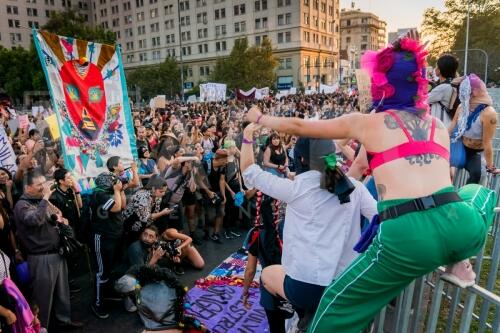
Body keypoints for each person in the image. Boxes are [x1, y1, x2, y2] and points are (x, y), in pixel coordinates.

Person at [245, 35, 497, 333]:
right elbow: (447, 178)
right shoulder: (438, 126)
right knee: (478, 192)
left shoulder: (369, 122)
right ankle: (460, 259)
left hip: (407, 236)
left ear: (383, 83)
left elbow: (302, 127)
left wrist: (259, 116)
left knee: (331, 310)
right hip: (460, 225)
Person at [241, 124, 378, 331]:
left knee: (267, 275)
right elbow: (381, 218)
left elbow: (249, 171)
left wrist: (247, 136)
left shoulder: (294, 190)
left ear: (302, 159)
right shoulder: (356, 188)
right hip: (347, 284)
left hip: (307, 289)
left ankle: (295, 319)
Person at [13, 169, 83, 329]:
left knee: (62, 292)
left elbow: (56, 215)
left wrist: (60, 218)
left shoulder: (41, 201)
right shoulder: (22, 205)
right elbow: (35, 220)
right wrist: (46, 198)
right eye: (39, 185)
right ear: (27, 188)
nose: (43, 188)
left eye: (44, 184)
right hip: (41, 258)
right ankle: (40, 327)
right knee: (43, 297)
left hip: (57, 253)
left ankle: (64, 321)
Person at [449, 73, 497, 185]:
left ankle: (467, 199)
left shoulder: (489, 113)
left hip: (475, 153)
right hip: (459, 147)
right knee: (443, 169)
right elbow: (452, 125)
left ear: (474, 92)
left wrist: (490, 166)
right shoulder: (462, 107)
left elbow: (487, 142)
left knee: (477, 174)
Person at [90, 171, 126, 319]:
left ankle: (108, 294)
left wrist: (121, 190)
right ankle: (98, 303)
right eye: (113, 180)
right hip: (102, 238)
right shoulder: (99, 195)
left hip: (113, 237)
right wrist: (117, 190)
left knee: (110, 270)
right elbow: (116, 208)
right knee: (101, 272)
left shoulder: (108, 194)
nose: (115, 182)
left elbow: (122, 204)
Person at [122, 175, 172, 245]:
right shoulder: (142, 197)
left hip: (141, 225)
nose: (163, 194)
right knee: (130, 244)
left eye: (164, 191)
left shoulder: (157, 196)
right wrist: (163, 213)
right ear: (153, 189)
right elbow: (146, 217)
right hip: (131, 225)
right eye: (161, 191)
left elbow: (154, 212)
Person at [428, 54, 460, 127]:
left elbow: (423, 100)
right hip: (449, 125)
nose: (435, 69)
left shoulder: (443, 88)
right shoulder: (452, 83)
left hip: (442, 127)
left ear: (440, 70)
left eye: (436, 67)